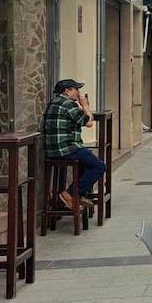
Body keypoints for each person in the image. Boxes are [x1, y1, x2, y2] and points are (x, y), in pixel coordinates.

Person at [42, 79, 106, 213]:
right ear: (67, 91)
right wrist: (85, 106)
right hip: (66, 148)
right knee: (99, 166)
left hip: (52, 150)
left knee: (86, 160)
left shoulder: (53, 102)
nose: (78, 92)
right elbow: (88, 122)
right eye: (76, 89)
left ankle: (78, 195)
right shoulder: (68, 104)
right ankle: (70, 194)